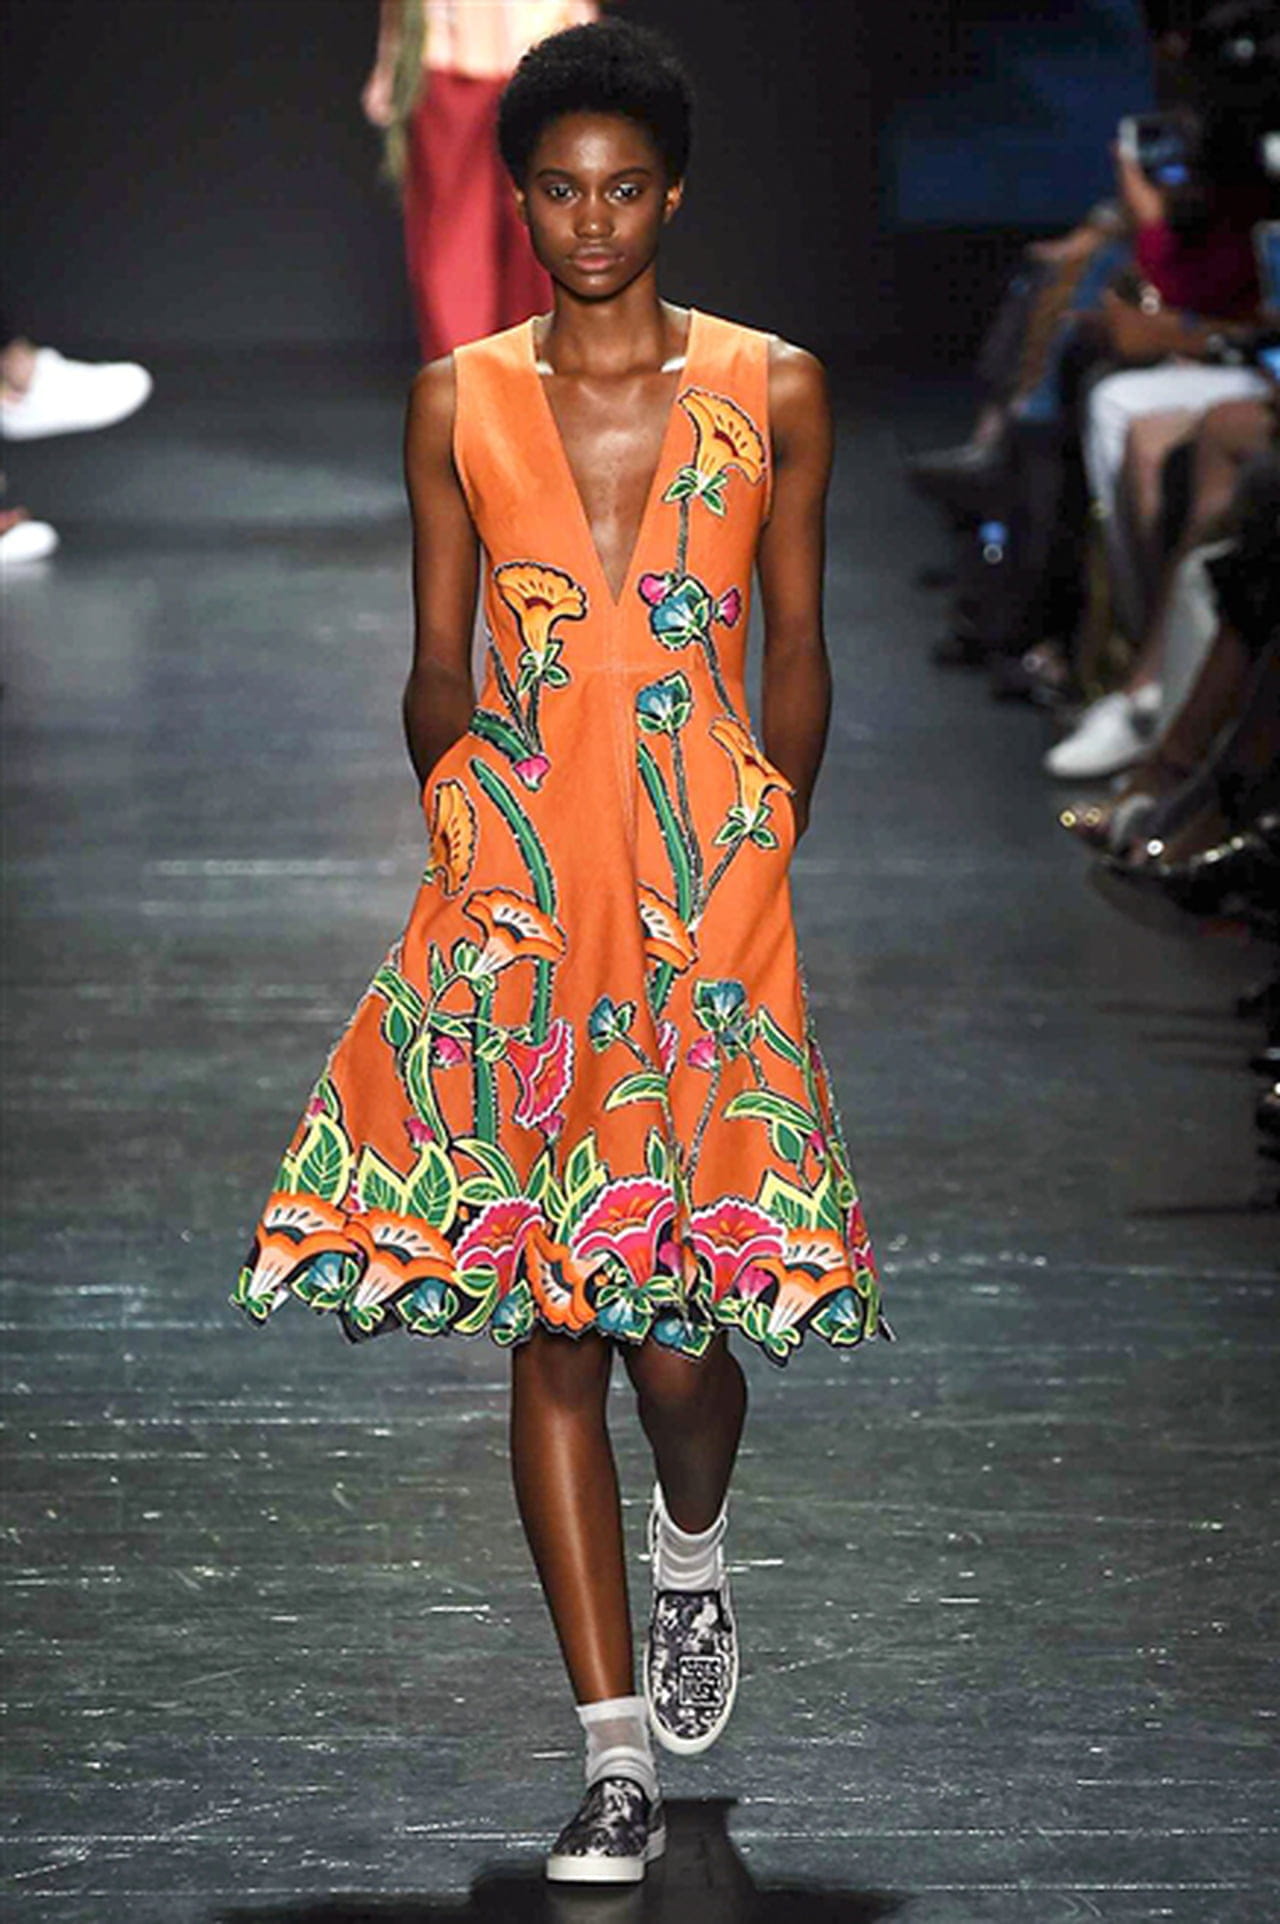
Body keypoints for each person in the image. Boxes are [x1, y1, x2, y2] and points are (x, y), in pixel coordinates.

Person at [234, 19, 884, 1886]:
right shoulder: (457, 396)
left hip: (706, 886)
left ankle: (694, 1544)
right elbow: (434, 659)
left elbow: (799, 641)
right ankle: (610, 1758)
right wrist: (466, 811)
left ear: (671, 196)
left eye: (623, 189)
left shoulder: (776, 385)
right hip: (524, 884)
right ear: (517, 202)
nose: (591, 221)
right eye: (558, 190)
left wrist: (768, 832)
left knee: (681, 1344)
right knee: (557, 1324)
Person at [362, 0, 599, 362]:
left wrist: (591, 43)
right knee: (453, 233)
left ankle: (536, 371)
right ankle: (467, 376)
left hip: (540, 53)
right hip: (450, 61)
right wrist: (390, 59)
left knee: (543, 226)